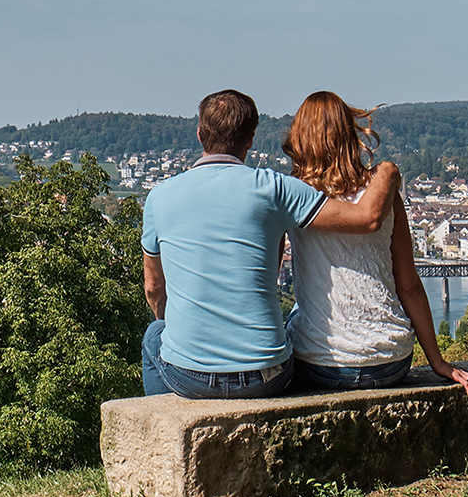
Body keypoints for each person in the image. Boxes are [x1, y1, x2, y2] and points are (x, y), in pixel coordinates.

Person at [140, 89, 398, 399]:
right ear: (250, 139)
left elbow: (154, 288)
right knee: (292, 321)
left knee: (155, 334)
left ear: (199, 134)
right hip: (267, 376)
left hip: (190, 376)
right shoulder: (275, 189)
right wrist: (386, 171)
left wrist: (182, 332)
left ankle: (164, 423)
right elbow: (367, 218)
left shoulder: (159, 197)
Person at [283, 91, 468, 395]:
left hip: (320, 365)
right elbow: (409, 286)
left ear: (300, 139)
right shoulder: (382, 194)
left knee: (294, 319)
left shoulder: (293, 196)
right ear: (349, 133)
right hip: (390, 362)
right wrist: (439, 363)